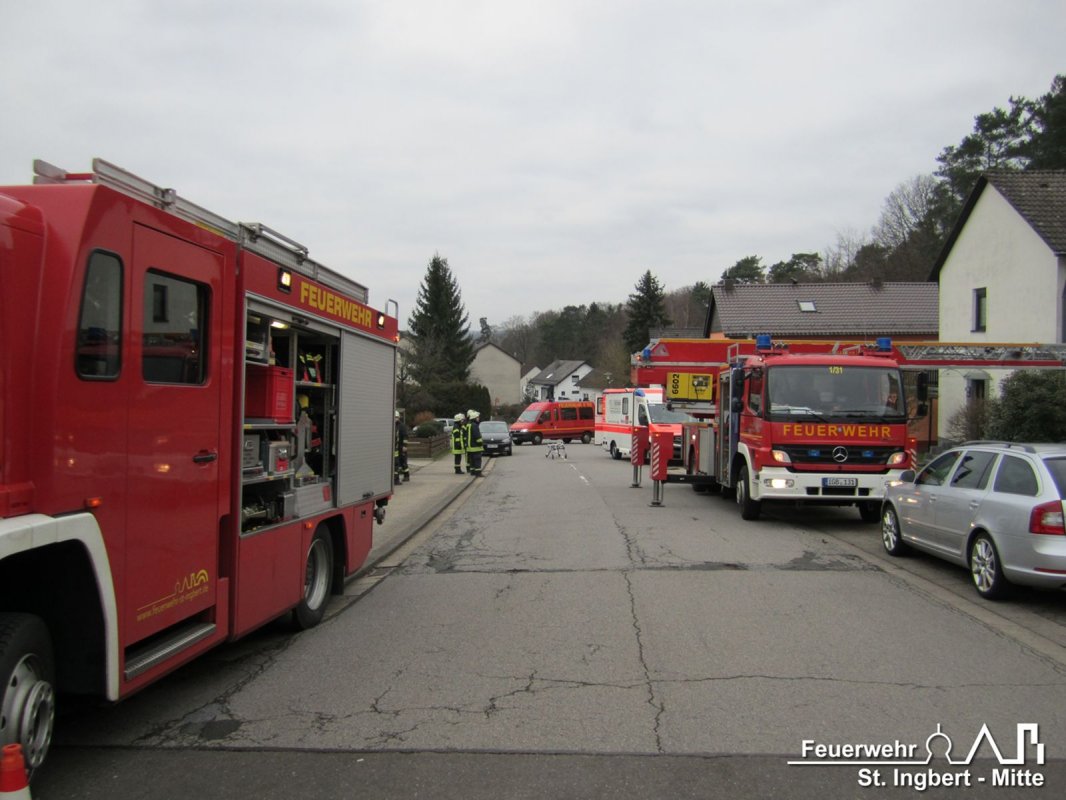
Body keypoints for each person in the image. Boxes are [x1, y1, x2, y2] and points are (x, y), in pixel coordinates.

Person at [465, 409, 484, 477]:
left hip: (470, 447)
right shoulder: (474, 425)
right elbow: (477, 436)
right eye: (477, 417)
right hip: (475, 447)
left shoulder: (469, 425)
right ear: (474, 418)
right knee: (478, 460)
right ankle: (478, 473)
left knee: (472, 461)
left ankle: (472, 472)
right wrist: (481, 443)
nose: (478, 418)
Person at [394, 411, 410, 483]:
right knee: (396, 462)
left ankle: (406, 476)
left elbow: (405, 436)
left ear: (399, 417)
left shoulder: (402, 426)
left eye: (396, 417)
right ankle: (396, 478)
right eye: (394, 417)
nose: (395, 419)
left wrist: (404, 446)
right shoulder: (392, 425)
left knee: (403, 461)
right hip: (396, 447)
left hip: (401, 447)